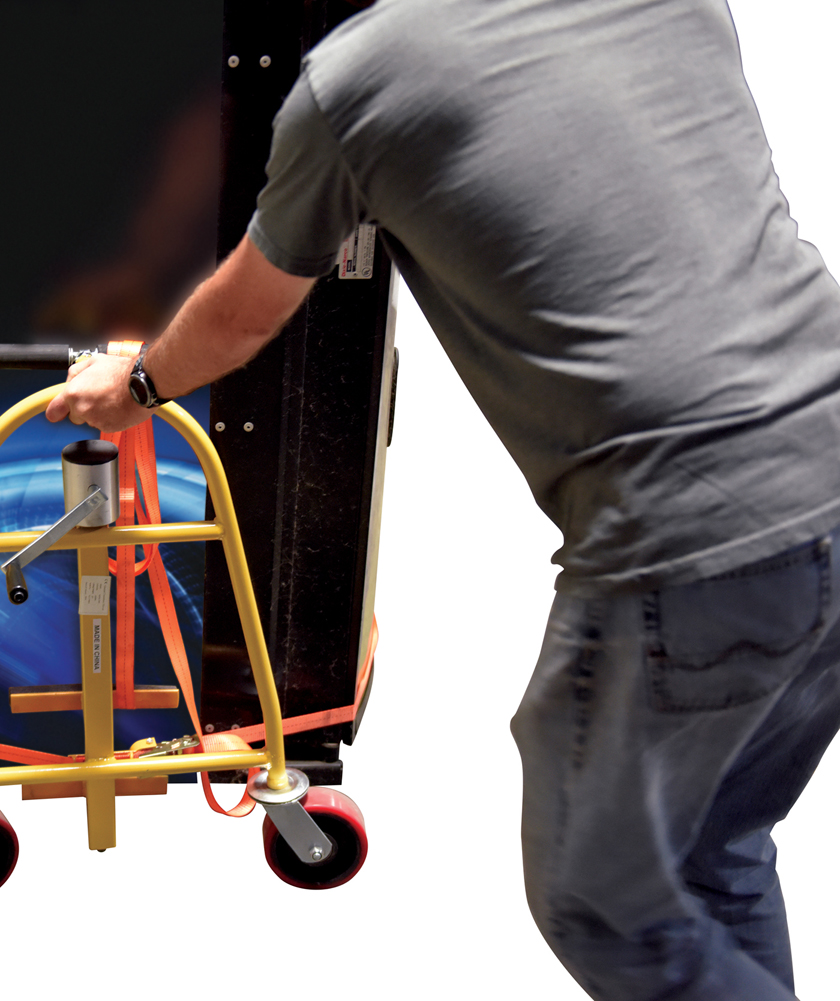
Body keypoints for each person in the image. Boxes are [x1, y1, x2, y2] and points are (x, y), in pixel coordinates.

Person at [47, 2, 840, 997]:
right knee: (710, 854)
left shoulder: (361, 82)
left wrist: (134, 385)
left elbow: (245, 313)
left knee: (601, 897)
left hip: (693, 531)